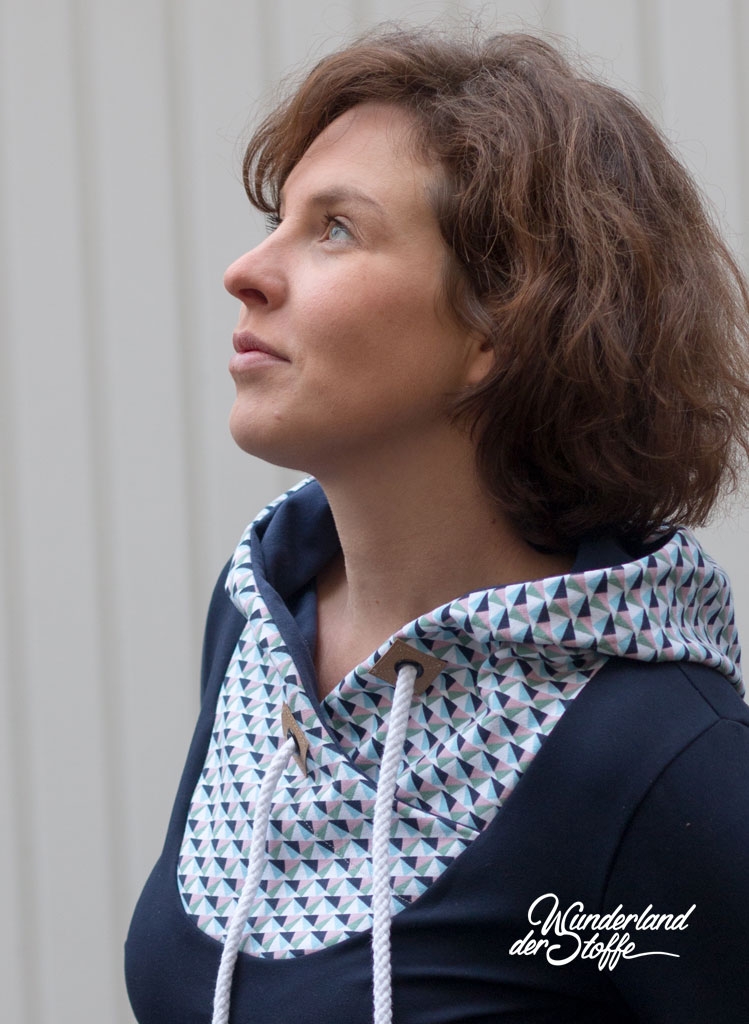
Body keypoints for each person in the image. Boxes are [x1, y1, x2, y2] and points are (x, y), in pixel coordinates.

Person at [125, 26, 749, 1024]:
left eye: (334, 229)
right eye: (279, 220)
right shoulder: (258, 621)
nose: (246, 271)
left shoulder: (658, 756)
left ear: (502, 319)